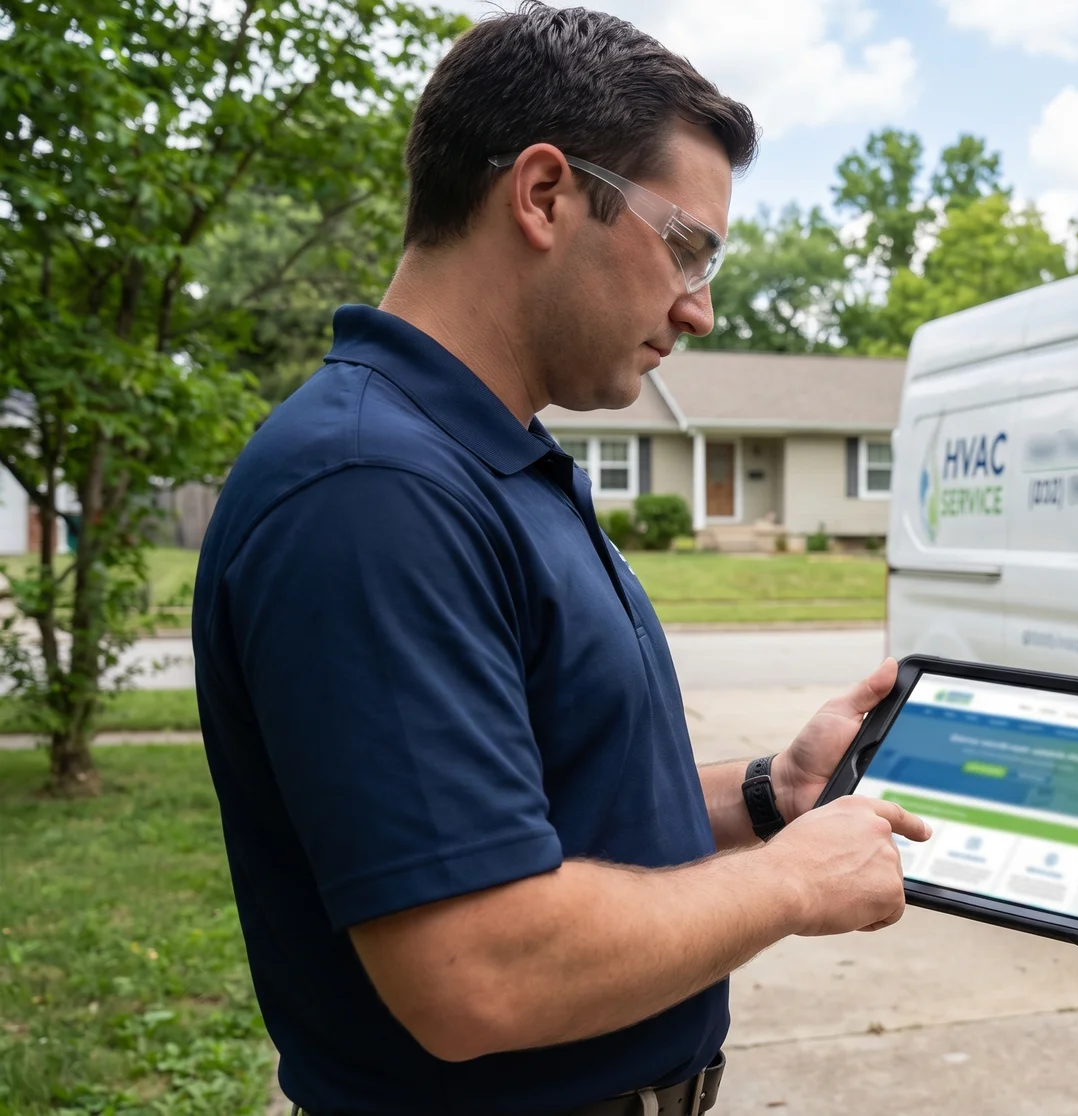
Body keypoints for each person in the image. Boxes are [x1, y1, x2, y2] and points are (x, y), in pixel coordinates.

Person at [190, 5, 929, 1114]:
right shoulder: (371, 489)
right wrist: (785, 885)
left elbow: (531, 816)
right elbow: (475, 967)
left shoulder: (479, 461)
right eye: (685, 245)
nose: (701, 307)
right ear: (542, 196)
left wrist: (773, 794)